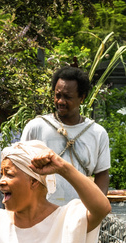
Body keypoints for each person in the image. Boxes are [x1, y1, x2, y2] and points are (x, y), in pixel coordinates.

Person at [20, 66, 110, 205]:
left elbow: (102, 174)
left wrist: (95, 207)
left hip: (79, 214)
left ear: (82, 98)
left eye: (67, 97)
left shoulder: (97, 133)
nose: (60, 101)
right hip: (40, 214)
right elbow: (20, 167)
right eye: (58, 95)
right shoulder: (36, 126)